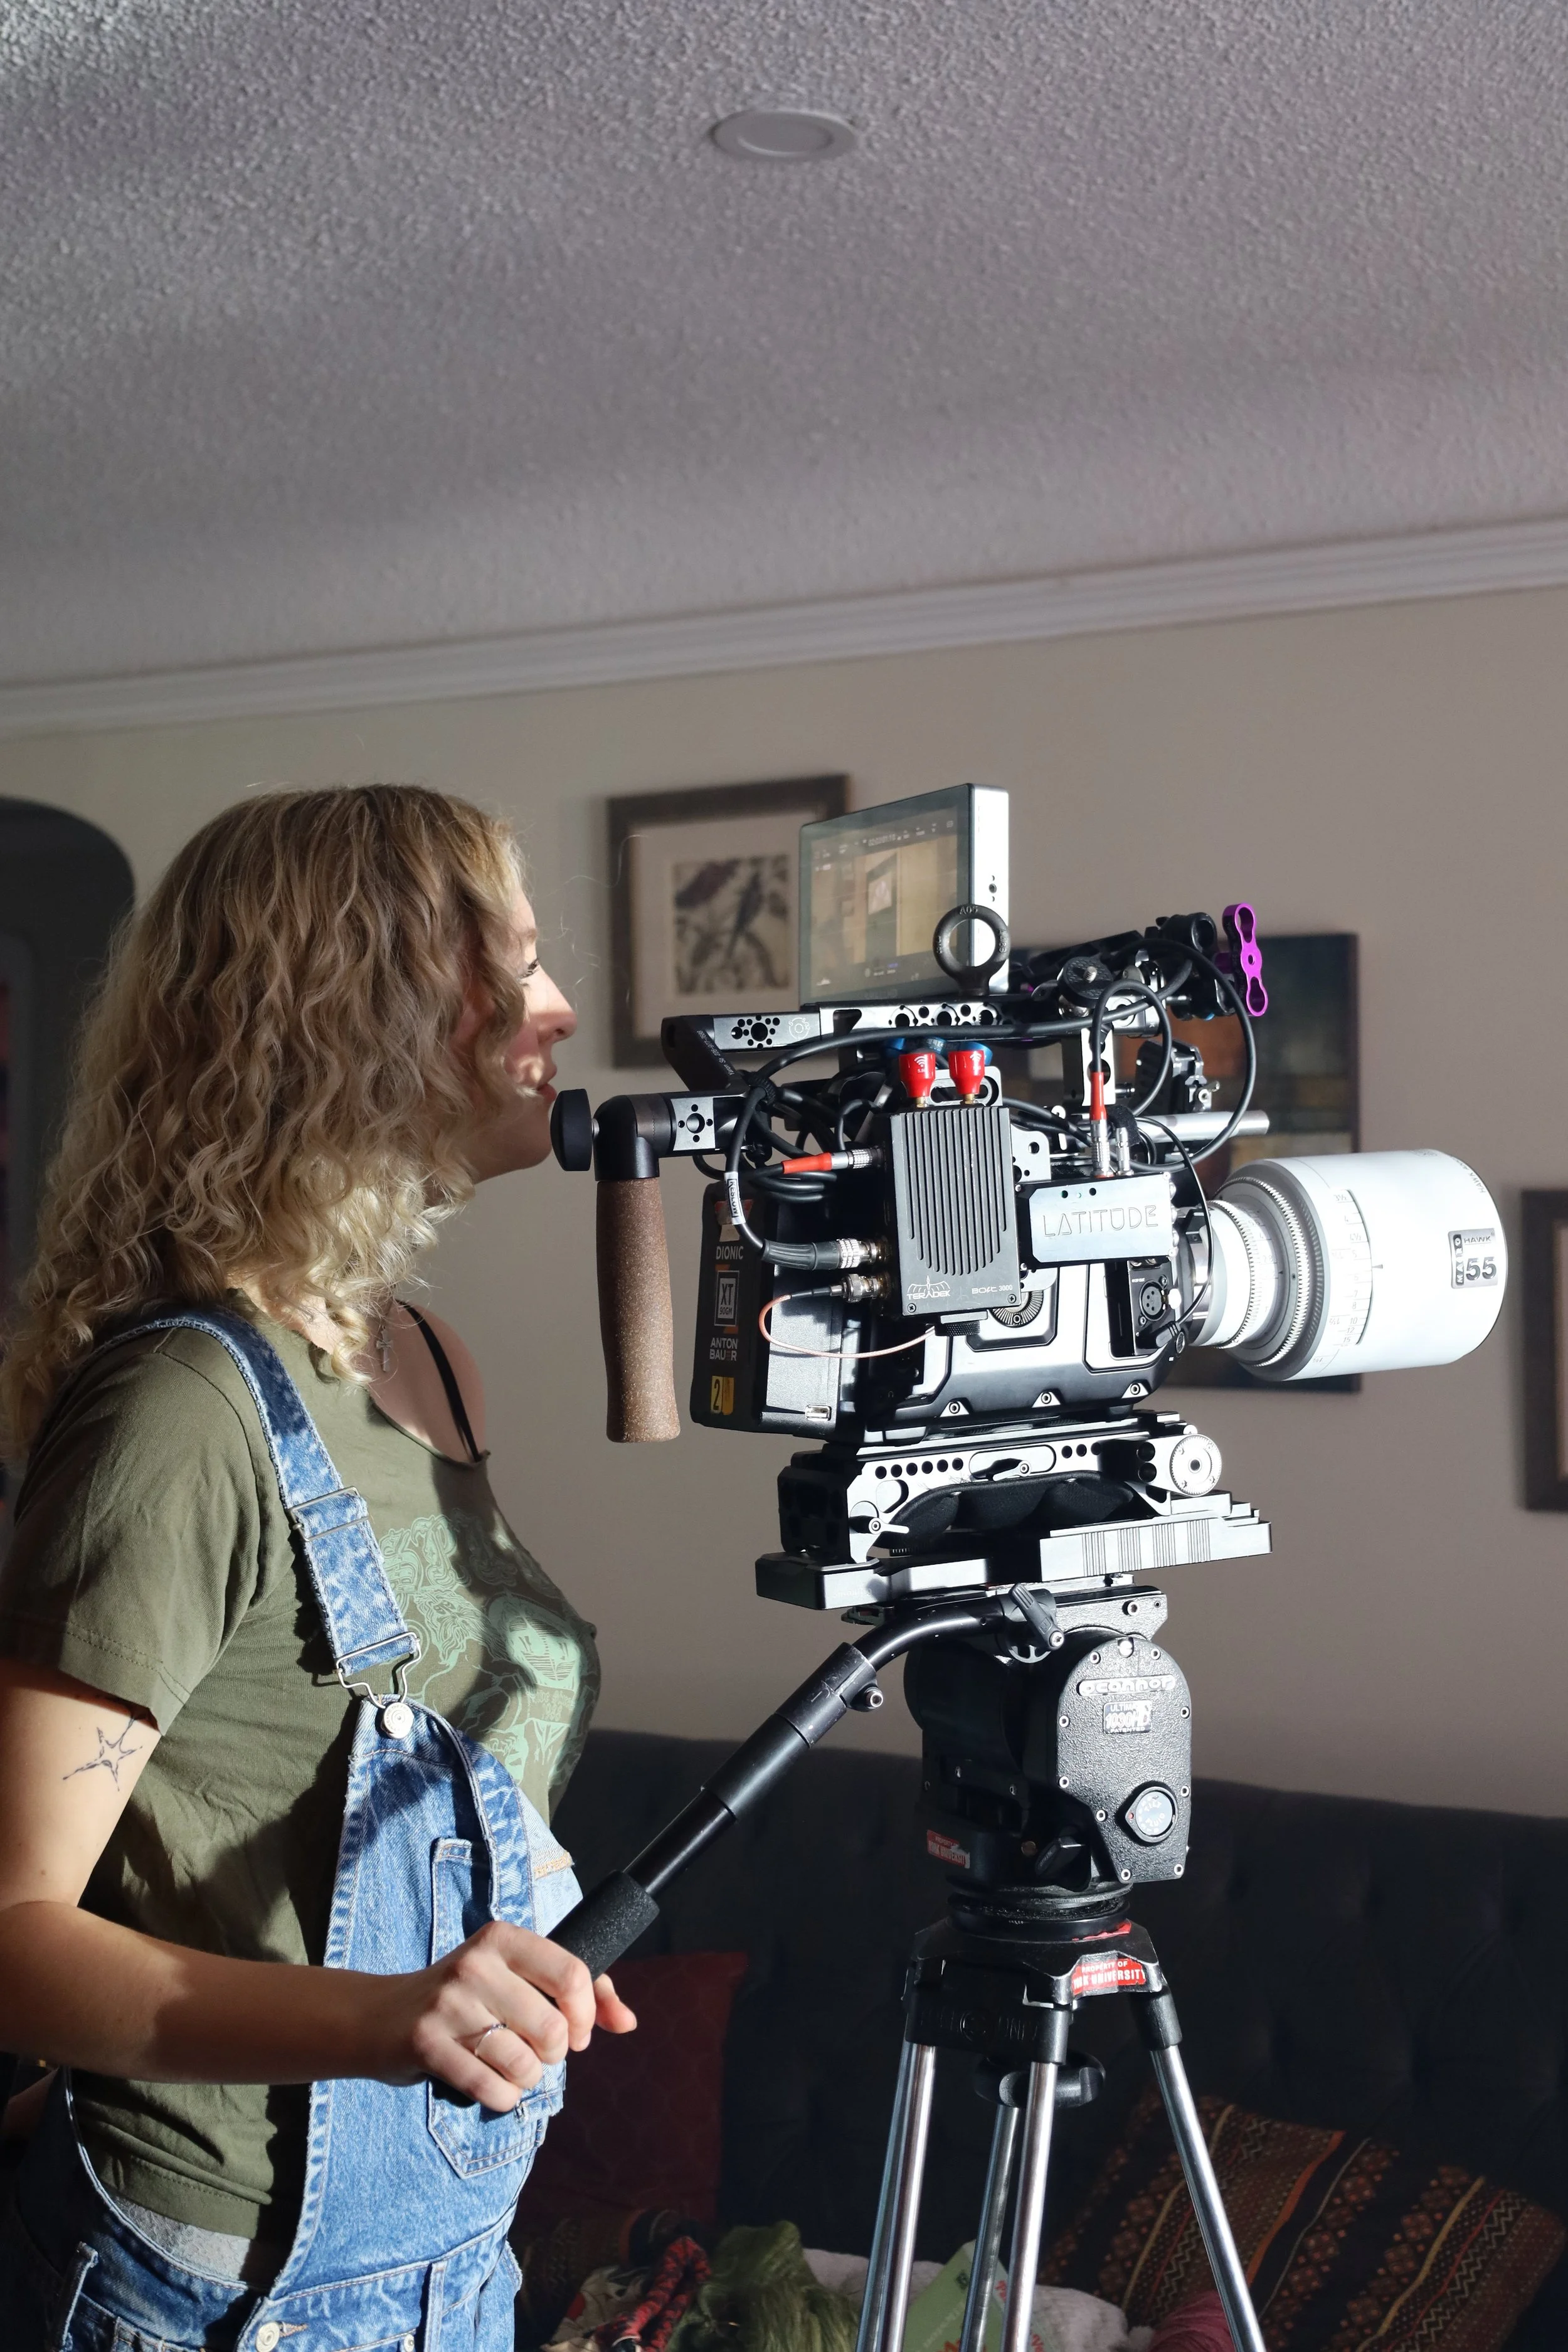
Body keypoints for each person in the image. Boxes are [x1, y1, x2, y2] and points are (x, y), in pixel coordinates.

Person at [0, 784, 634, 2349]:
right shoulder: (181, 1412)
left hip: (451, 2262)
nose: (559, 1011)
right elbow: (12, 1938)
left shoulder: (425, 1361)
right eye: (518, 965)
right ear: (370, 1011)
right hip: (214, 2290)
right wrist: (382, 2020)